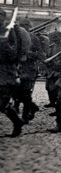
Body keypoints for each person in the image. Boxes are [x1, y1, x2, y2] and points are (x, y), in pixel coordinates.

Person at [0, 8, 26, 137]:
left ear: (4, 17)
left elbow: (13, 53)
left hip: (6, 72)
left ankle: (17, 122)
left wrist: (4, 44)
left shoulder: (9, 32)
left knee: (2, 103)